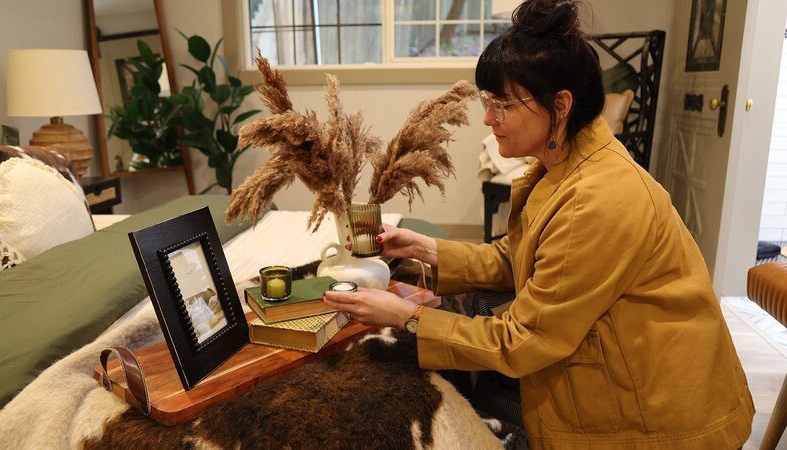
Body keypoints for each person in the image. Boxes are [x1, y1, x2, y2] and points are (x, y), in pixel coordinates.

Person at [323, 0, 754, 448]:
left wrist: (406, 316)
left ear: (561, 104)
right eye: (489, 103)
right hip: (615, 362)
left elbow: (521, 341)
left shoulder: (598, 198)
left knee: (425, 361)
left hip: (652, 411)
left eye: (502, 104)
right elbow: (519, 258)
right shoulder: (566, 164)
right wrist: (422, 248)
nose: (489, 119)